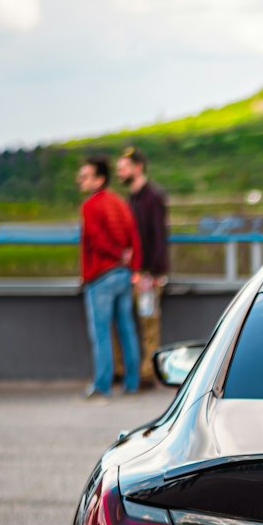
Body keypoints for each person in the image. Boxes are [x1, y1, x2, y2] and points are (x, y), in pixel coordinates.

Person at [77, 155, 142, 402]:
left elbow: (96, 239)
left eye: (85, 176)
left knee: (102, 332)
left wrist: (116, 256)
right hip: (123, 275)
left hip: (101, 276)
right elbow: (133, 235)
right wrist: (131, 265)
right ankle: (132, 383)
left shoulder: (90, 206)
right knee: (126, 329)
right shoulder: (119, 203)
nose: (80, 180)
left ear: (99, 179)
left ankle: (102, 386)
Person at [116, 145, 169, 386]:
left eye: (124, 168)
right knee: (134, 323)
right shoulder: (133, 199)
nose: (120, 173)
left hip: (148, 275)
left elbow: (159, 236)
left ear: (137, 168)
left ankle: (149, 373)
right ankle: (135, 372)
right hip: (135, 272)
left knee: (149, 325)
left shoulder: (152, 198)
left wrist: (156, 273)